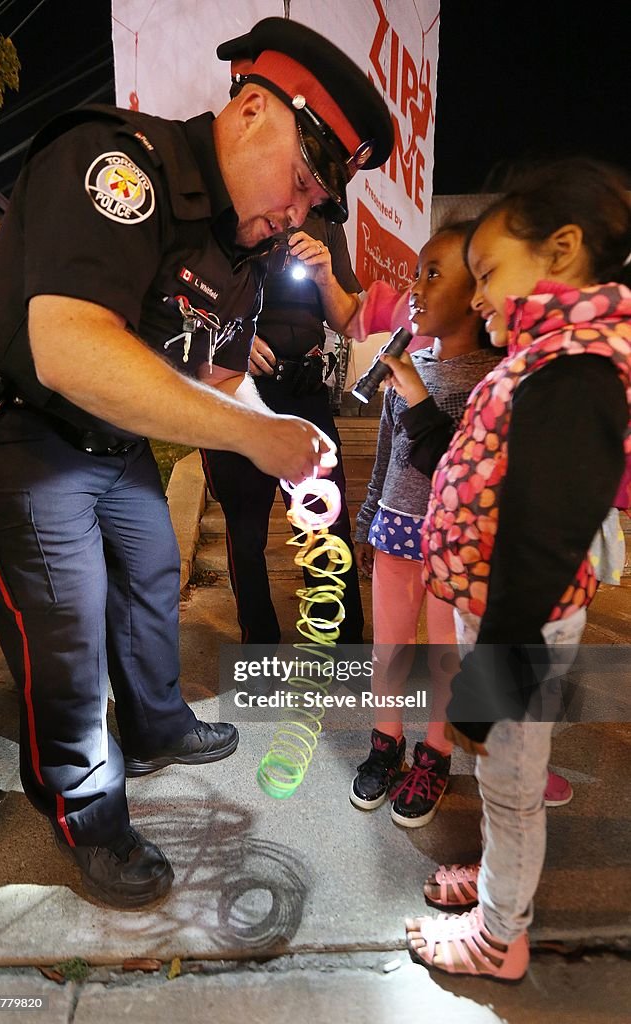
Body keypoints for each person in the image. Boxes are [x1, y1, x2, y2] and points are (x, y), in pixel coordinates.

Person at [0, 17, 394, 909]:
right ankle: (88, 813)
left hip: (110, 441)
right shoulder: (120, 167)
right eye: (306, 177)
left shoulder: (241, 253)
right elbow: (68, 347)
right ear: (248, 112)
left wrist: (278, 427)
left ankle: (155, 725)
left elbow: (223, 377)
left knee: (154, 571)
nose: (303, 208)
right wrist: (248, 437)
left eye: (320, 198)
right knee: (66, 631)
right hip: (22, 425)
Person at [385, 157, 631, 980]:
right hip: (498, 619)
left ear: (560, 250)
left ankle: (499, 940)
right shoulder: (547, 354)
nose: (479, 293)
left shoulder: (576, 371)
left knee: (511, 790)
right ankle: (497, 889)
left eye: (488, 272)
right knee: (501, 786)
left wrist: (487, 685)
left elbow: (537, 544)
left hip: (516, 630)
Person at [348, 222, 500, 825]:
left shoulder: (492, 382)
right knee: (389, 649)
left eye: (432, 274)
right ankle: (385, 741)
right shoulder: (402, 367)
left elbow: (458, 468)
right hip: (395, 530)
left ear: (476, 293)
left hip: (452, 550)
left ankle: (434, 755)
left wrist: (414, 392)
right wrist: (365, 521)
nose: (413, 287)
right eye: (416, 271)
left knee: (444, 658)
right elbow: (386, 456)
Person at [201, 210, 364, 645]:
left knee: (324, 525)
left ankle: (341, 648)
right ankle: (260, 654)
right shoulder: (223, 207)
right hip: (233, 391)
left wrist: (326, 276)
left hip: (302, 389)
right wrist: (233, 335)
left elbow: (350, 321)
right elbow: (182, 296)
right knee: (246, 530)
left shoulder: (324, 219)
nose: (302, 197)